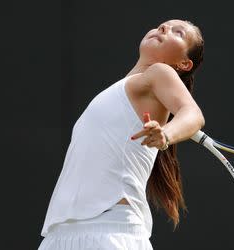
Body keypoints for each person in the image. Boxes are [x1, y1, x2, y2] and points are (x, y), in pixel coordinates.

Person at [38, 19, 205, 250]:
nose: (163, 29)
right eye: (162, 26)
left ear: (184, 64)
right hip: (62, 235)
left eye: (178, 33)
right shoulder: (119, 89)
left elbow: (193, 115)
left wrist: (165, 134)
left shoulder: (159, 73)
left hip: (109, 233)